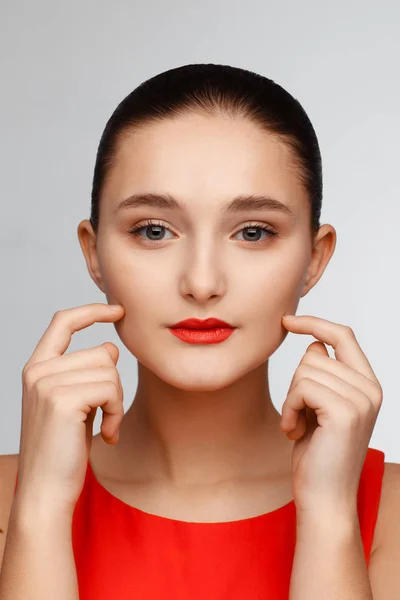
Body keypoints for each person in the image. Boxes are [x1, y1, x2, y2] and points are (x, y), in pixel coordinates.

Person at [0, 63, 392, 599]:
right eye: (154, 230)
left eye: (253, 232)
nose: (202, 282)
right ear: (94, 253)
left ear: (314, 258)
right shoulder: (11, 503)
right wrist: (40, 512)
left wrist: (329, 522)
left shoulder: (387, 515)